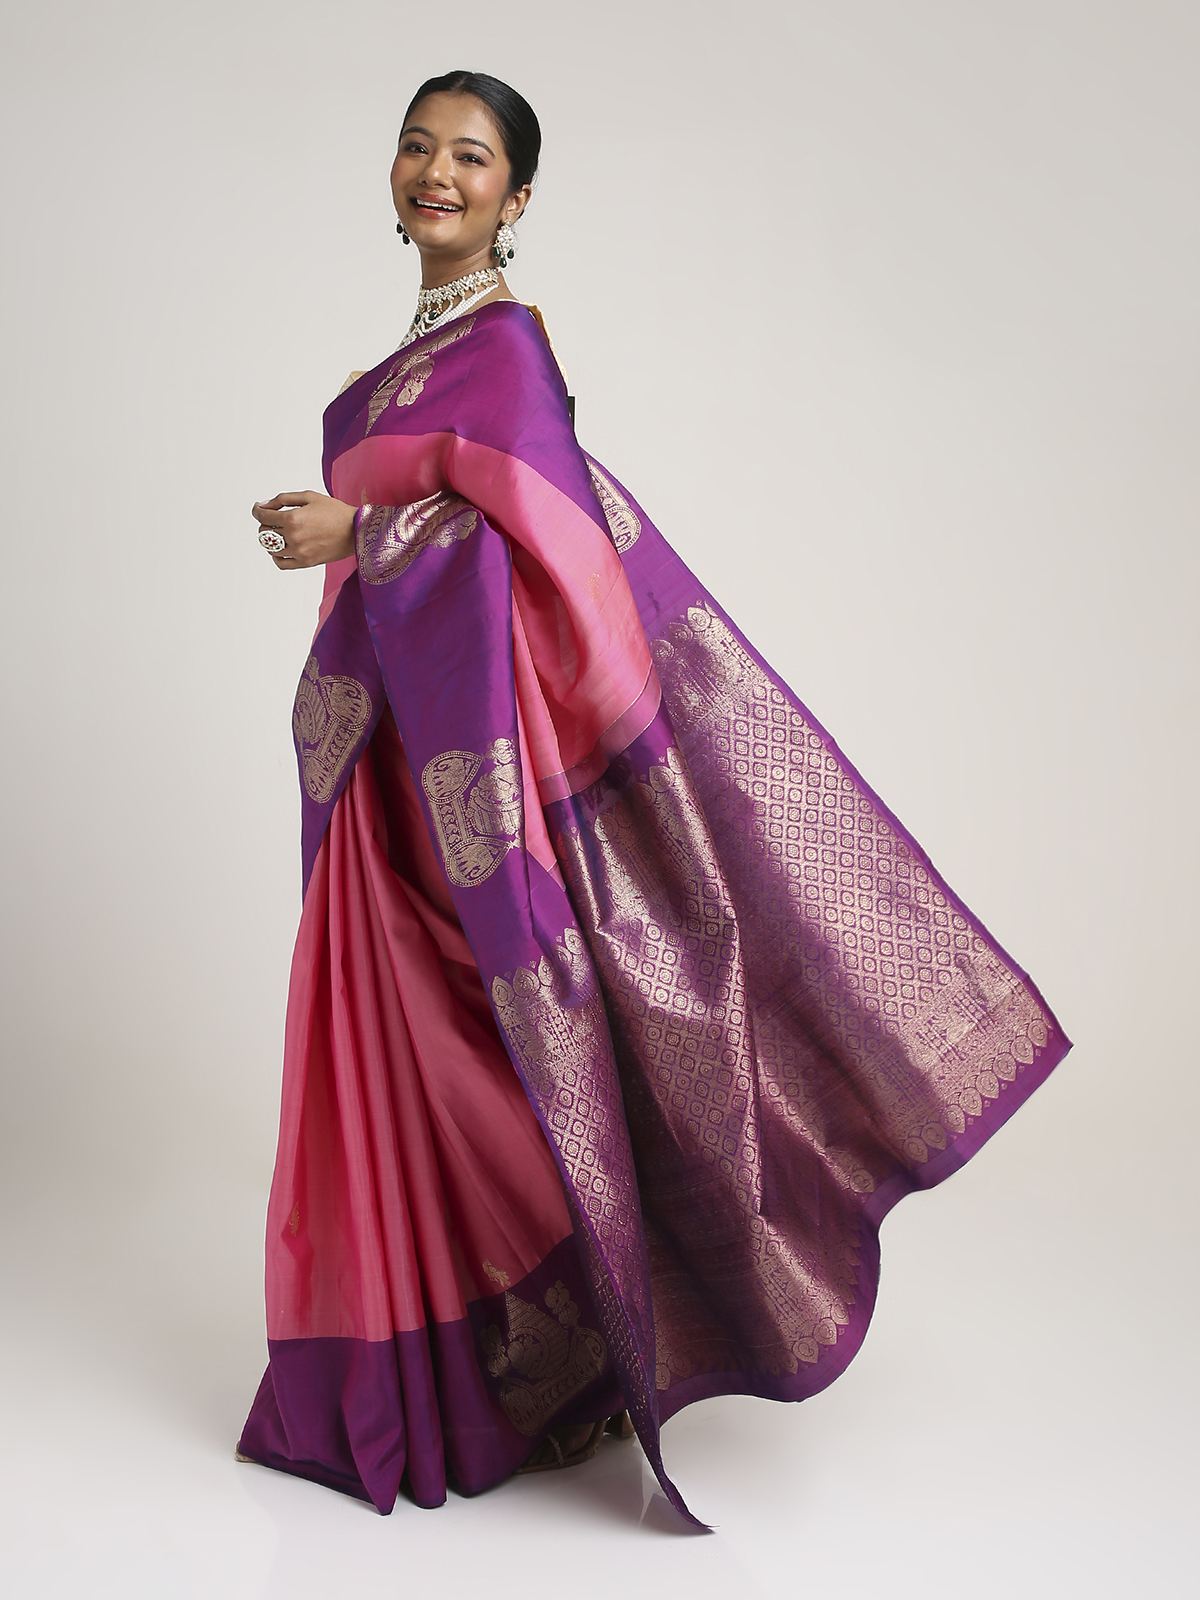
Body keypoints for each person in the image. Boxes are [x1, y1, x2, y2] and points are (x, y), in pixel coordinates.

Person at [237, 70, 1070, 1526]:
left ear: (518, 196)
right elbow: (464, 523)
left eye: (471, 156)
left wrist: (359, 530)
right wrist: (366, 536)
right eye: (419, 148)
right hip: (401, 764)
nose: (438, 173)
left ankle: (569, 1349)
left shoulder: (504, 351)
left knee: (505, 1049)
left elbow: (550, 544)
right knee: (418, 1054)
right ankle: (460, 1369)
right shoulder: (397, 374)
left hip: (486, 771)